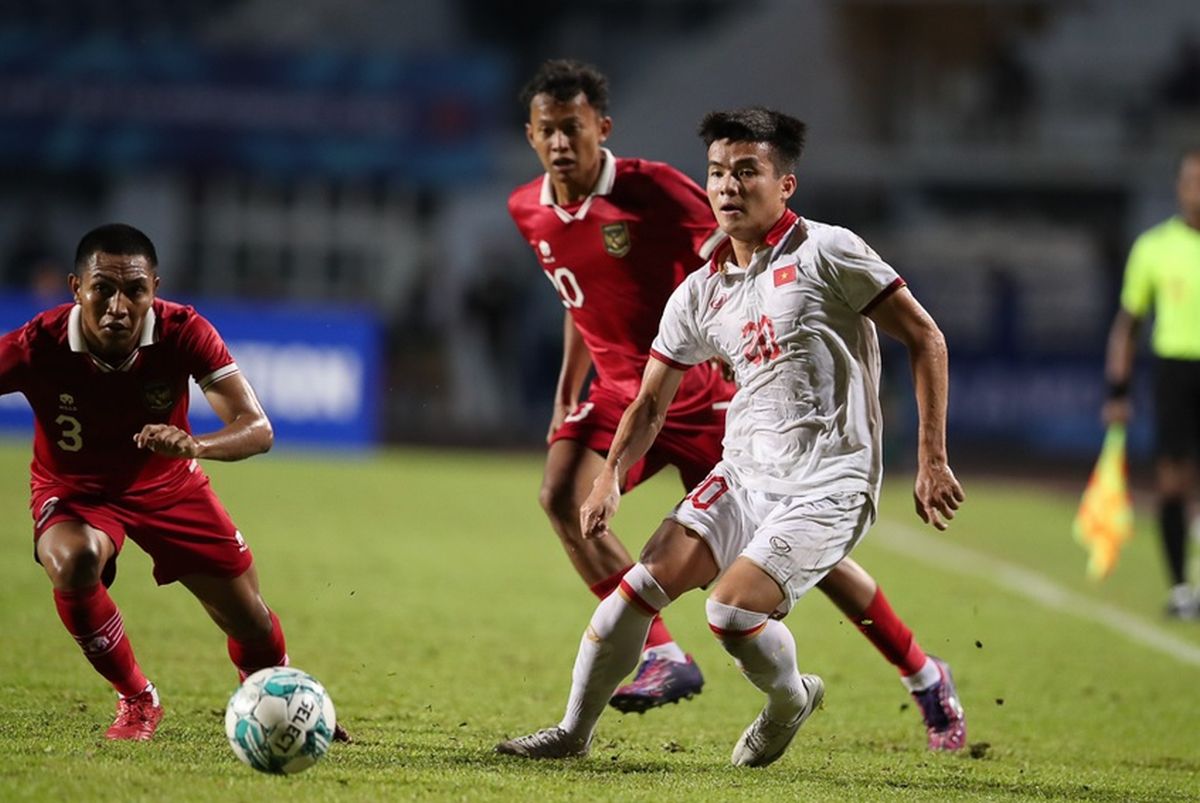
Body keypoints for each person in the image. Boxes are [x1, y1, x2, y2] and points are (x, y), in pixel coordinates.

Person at [507, 58, 966, 749]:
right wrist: (604, 465)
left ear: (785, 183)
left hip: (799, 461)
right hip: (713, 443)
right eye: (719, 172)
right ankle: (585, 723)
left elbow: (925, 336)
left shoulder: (824, 251)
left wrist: (931, 456)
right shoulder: (694, 290)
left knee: (742, 603)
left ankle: (888, 679)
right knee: (614, 558)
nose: (726, 186)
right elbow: (600, 323)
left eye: (745, 172)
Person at [0, 223, 350, 742]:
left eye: (134, 291)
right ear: (76, 288)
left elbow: (258, 429)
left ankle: (281, 696)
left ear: (154, 290)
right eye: (103, 289)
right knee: (73, 560)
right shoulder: (38, 344)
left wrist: (195, 445)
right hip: (75, 491)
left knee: (251, 621)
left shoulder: (183, 331)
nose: (118, 306)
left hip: (170, 486)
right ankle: (137, 699)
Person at [1104, 148, 1200, 619]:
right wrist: (1118, 392)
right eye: (1192, 182)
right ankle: (1181, 586)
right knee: (1172, 481)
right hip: (1174, 370)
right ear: (1179, 188)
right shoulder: (1154, 247)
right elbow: (1128, 325)